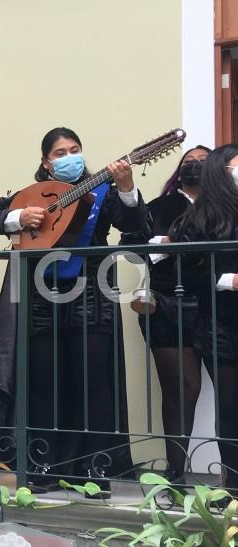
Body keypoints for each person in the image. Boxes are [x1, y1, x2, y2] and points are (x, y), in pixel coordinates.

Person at [0, 127, 146, 494]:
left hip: (91, 294)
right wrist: (18, 219)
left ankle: (95, 469)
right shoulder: (30, 196)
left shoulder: (104, 191)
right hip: (40, 297)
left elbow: (134, 226)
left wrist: (128, 187)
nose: (68, 156)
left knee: (93, 381)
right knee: (43, 382)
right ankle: (43, 467)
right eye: (59, 152)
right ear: (45, 161)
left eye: (74, 149)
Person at [120, 145, 211, 485]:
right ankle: (176, 473)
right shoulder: (160, 206)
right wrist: (168, 242)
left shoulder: (225, 207)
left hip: (218, 308)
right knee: (181, 389)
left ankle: (229, 478)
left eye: (202, 162)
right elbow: (131, 245)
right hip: (168, 308)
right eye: (188, 162)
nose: (194, 167)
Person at [170, 143, 238, 496]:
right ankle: (234, 488)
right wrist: (229, 280)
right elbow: (185, 272)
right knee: (230, 406)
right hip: (221, 324)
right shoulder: (200, 219)